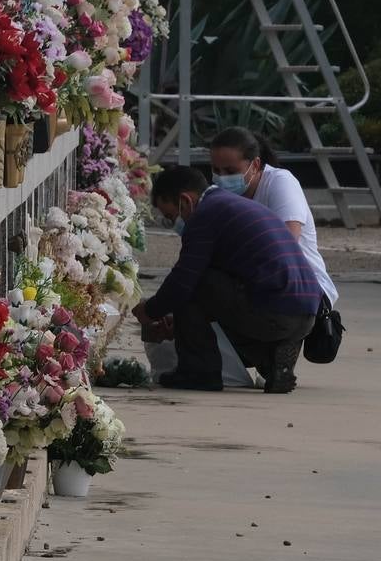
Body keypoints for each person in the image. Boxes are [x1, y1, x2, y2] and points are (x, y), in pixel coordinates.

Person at [131, 166, 320, 394]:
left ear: (185, 201)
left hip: (275, 310)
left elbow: (183, 281)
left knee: (195, 284)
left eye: (171, 216)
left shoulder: (205, 215)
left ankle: (200, 373)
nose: (174, 224)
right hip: (307, 312)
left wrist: (149, 311)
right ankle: (271, 359)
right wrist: (178, 322)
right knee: (206, 289)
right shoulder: (231, 205)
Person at [209, 127, 338, 310]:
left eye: (230, 171)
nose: (222, 178)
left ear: (254, 165)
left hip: (304, 290)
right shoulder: (220, 197)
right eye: (216, 170)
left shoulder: (280, 183)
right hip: (259, 286)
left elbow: (285, 246)